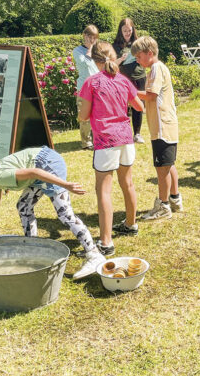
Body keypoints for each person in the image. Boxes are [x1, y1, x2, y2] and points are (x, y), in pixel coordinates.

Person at [0, 148, 105, 280]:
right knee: (24, 206)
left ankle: (93, 254)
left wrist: (65, 185)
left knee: (64, 213)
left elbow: (35, 172)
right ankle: (33, 247)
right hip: (38, 173)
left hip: (47, 165)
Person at [77, 41, 143, 254]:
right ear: (114, 57)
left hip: (105, 140)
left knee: (103, 190)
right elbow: (139, 106)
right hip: (125, 137)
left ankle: (106, 242)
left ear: (94, 61)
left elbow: (83, 115)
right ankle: (130, 224)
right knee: (127, 183)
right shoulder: (123, 80)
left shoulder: (92, 82)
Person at [131, 35, 183, 220]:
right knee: (168, 165)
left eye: (138, 56)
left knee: (162, 169)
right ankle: (175, 198)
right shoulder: (157, 68)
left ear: (149, 53)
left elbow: (151, 95)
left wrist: (128, 90)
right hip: (165, 126)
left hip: (162, 127)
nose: (137, 60)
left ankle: (163, 205)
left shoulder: (155, 68)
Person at [113, 18, 147, 144]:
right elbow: (112, 63)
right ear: (120, 31)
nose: (127, 33)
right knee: (123, 106)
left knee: (138, 106)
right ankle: (123, 133)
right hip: (124, 79)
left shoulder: (138, 43)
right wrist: (121, 59)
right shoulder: (115, 46)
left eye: (129, 30)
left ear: (133, 30)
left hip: (139, 77)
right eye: (125, 30)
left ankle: (137, 133)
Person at [71, 25, 100, 150]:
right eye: (90, 37)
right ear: (84, 36)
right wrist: (90, 50)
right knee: (84, 116)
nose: (92, 40)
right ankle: (86, 142)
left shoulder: (98, 50)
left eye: (94, 38)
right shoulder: (77, 51)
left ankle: (97, 139)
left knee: (98, 114)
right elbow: (84, 63)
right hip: (84, 88)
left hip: (97, 87)